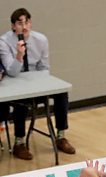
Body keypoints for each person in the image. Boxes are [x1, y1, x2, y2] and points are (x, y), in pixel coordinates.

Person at [0, 8, 75, 160]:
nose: (24, 26)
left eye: (27, 22)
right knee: (21, 101)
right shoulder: (4, 42)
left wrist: (40, 84)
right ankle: (19, 142)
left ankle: (61, 135)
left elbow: (44, 68)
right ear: (13, 26)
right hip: (15, 81)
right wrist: (19, 56)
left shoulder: (41, 39)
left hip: (35, 79)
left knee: (61, 93)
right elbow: (11, 72)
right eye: (20, 23)